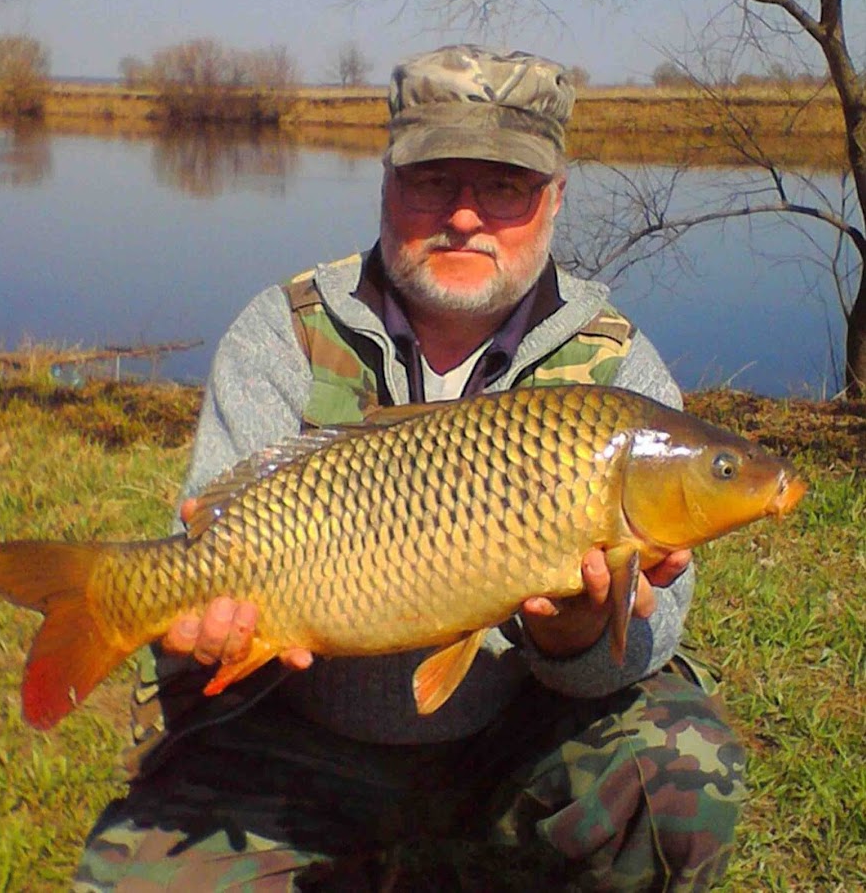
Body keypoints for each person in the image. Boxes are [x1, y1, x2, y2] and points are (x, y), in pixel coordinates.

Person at [75, 45, 745, 891]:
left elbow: (656, 632)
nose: (465, 215)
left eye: (505, 185)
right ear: (387, 181)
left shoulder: (614, 372)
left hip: (519, 736)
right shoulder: (280, 334)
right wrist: (204, 638)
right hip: (303, 737)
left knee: (680, 779)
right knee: (131, 881)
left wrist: (576, 638)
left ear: (555, 198)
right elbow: (210, 529)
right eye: (434, 179)